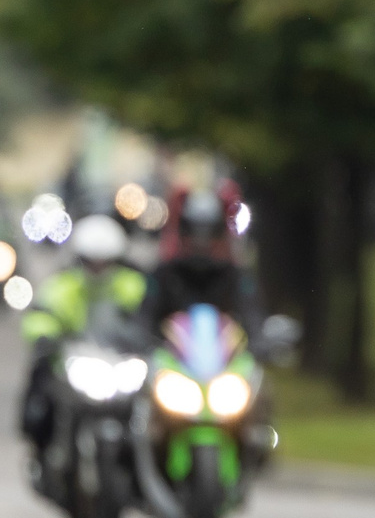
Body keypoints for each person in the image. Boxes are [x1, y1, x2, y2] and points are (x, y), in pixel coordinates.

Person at [20, 213, 148, 447]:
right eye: (91, 261)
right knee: (43, 387)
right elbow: (42, 315)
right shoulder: (63, 286)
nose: (98, 269)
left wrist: (151, 339)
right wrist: (44, 338)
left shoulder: (134, 285)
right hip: (75, 357)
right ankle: (41, 441)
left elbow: (150, 316)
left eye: (105, 262)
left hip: (120, 359)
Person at [135, 185, 258, 343]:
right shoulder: (164, 275)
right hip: (170, 355)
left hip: (226, 356)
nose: (201, 242)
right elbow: (144, 319)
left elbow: (254, 317)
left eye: (209, 233)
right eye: (194, 232)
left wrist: (262, 340)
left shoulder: (235, 277)